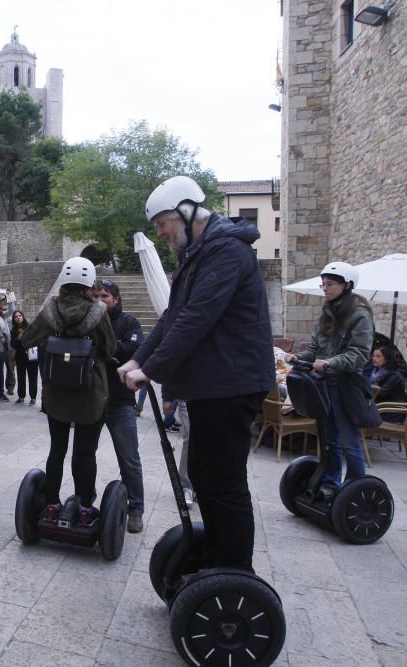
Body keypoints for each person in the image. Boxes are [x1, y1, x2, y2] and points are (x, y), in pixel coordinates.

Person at [118, 176, 274, 573]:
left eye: (163, 223)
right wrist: (139, 360)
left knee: (223, 482)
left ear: (186, 213)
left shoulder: (226, 253)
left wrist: (150, 371)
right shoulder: (199, 255)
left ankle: (237, 570)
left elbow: (196, 318)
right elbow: (173, 316)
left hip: (232, 383)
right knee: (204, 477)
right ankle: (218, 556)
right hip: (213, 385)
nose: (161, 233)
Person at [19, 257, 116, 527]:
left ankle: (51, 504)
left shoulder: (51, 310)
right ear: (89, 284)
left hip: (56, 392)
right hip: (90, 394)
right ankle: (85, 507)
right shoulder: (98, 313)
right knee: (85, 453)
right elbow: (110, 349)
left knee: (57, 449)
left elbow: (25, 339)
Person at [286, 261, 374, 495]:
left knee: (348, 441)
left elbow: (359, 354)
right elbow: (315, 348)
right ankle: (331, 483)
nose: (325, 288)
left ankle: (355, 488)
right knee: (329, 439)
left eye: (331, 284)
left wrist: (329, 363)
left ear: (347, 285)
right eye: (323, 284)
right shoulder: (327, 313)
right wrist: (297, 357)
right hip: (323, 384)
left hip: (346, 385)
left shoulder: (359, 315)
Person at [92, 278, 145, 533]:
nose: (100, 301)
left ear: (116, 299)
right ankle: (85, 502)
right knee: (84, 455)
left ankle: (136, 509)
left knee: (129, 459)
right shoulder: (89, 319)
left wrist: (105, 349)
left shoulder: (129, 322)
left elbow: (133, 348)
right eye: (96, 296)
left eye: (105, 296)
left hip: (121, 403)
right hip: (92, 400)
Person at [368, 346, 407, 421]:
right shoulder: (376, 372)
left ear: (387, 359)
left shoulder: (394, 376)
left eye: (378, 356)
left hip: (391, 412)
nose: (374, 359)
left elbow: (380, 393)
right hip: (381, 408)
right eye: (373, 356)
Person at [10, 310, 39, 405]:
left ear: (23, 316)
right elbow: (13, 344)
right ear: (14, 319)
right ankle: (21, 397)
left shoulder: (30, 327)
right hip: (20, 357)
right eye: (16, 316)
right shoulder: (13, 330)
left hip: (32, 356)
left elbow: (36, 340)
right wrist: (18, 339)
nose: (18, 318)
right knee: (21, 377)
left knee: (33, 377)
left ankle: (33, 397)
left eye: (20, 316)